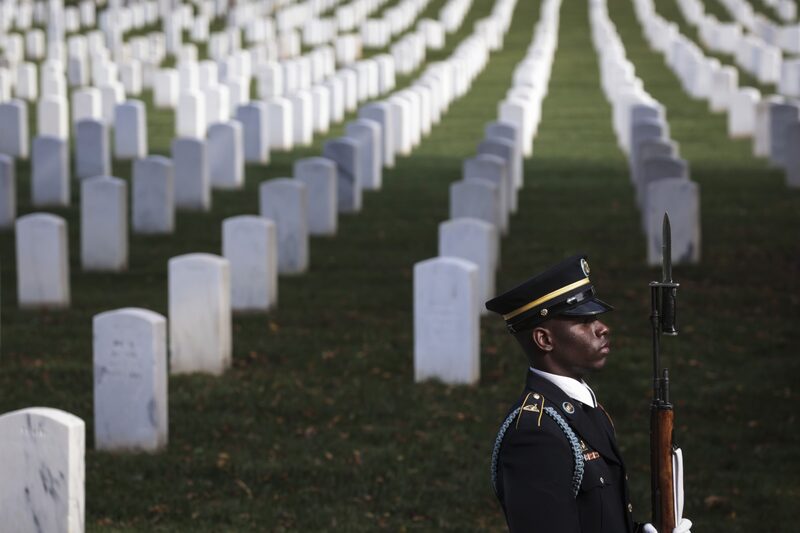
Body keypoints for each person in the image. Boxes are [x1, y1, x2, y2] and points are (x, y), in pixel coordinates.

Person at [487, 254, 692, 533]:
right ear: (544, 339)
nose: (603, 328)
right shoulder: (536, 434)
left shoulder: (582, 407)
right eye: (584, 322)